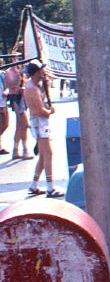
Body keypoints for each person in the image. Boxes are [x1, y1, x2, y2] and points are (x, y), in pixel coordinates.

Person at [23, 62, 60, 197]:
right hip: (39, 121)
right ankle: (50, 187)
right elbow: (39, 110)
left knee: (44, 155)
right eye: (40, 71)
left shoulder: (34, 85)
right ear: (35, 72)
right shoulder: (32, 88)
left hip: (40, 122)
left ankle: (34, 185)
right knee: (48, 153)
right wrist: (50, 111)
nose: (43, 72)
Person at [4, 61, 28, 158]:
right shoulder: (8, 72)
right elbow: (11, 85)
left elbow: (25, 82)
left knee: (19, 125)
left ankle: (17, 149)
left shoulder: (22, 69)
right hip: (15, 97)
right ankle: (25, 149)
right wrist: (18, 74)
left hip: (22, 97)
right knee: (24, 123)